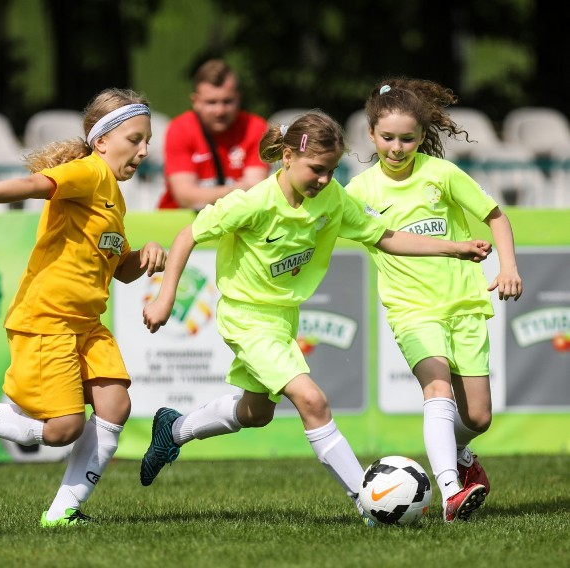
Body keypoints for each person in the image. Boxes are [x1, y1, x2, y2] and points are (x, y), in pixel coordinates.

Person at [139, 110, 493, 526]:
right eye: (317, 170)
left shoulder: (334, 199)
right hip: (246, 317)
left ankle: (175, 429)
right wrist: (165, 299)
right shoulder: (252, 202)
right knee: (312, 400)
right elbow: (188, 235)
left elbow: (387, 236)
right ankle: (370, 501)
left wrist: (455, 247)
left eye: (332, 170)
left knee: (256, 412)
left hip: (283, 318)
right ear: (287, 157)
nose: (324, 180)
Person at [0, 88, 167, 527]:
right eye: (135, 139)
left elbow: (120, 269)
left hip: (86, 325)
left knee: (115, 406)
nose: (144, 150)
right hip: (47, 320)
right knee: (62, 431)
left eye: (146, 141)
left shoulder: (114, 196)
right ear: (102, 140)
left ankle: (63, 513)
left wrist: (143, 255)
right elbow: (38, 184)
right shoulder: (88, 172)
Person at [344, 77, 523, 523]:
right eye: (387, 138)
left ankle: (456, 452)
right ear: (371, 135)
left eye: (407, 138)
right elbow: (319, 224)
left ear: (423, 137)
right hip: (411, 311)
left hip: (463, 305)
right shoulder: (359, 192)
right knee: (436, 387)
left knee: (478, 416)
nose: (397, 147)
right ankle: (448, 493)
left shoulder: (441, 174)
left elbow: (496, 217)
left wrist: (508, 267)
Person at [157, 59, 270, 210]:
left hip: (237, 221)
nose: (220, 111)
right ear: (195, 101)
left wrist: (205, 194)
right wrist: (236, 190)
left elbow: (255, 193)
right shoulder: (180, 128)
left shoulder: (256, 127)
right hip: (180, 220)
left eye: (227, 101)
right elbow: (185, 198)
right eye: (211, 102)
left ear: (239, 98)